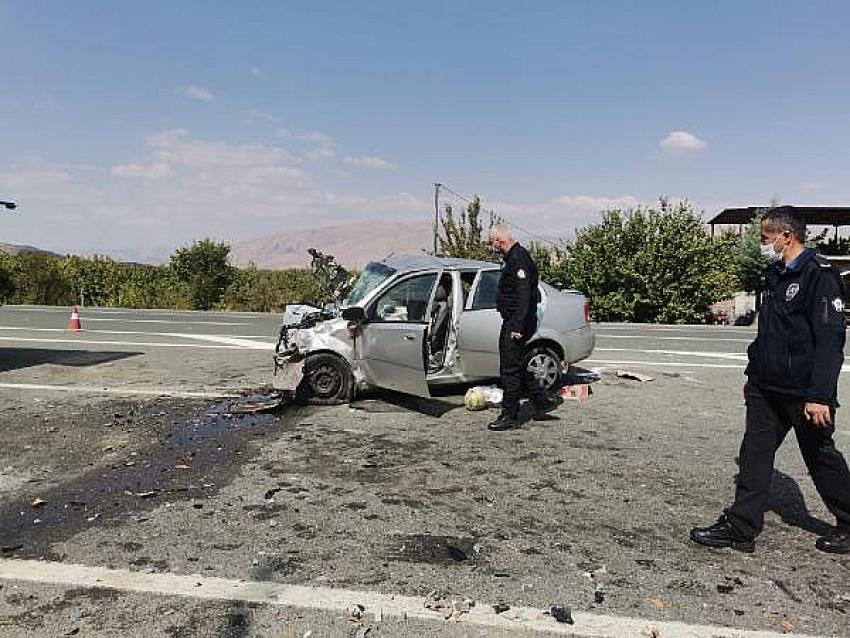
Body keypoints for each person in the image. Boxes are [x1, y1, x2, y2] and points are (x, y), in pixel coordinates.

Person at [690, 206, 850, 554]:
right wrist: (753, 375)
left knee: (821, 458)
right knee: (754, 453)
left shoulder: (819, 275)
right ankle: (741, 527)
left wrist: (820, 395)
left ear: (786, 236)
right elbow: (768, 333)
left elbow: (830, 341)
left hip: (804, 391)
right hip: (767, 387)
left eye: (766, 238)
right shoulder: (775, 274)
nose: (763, 244)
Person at [486, 224, 560, 431]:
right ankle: (541, 400)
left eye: (492, 243)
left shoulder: (518, 259)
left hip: (517, 322)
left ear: (499, 241)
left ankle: (510, 415)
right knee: (517, 364)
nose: (492, 247)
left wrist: (517, 326)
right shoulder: (512, 258)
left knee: (509, 368)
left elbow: (524, 295)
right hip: (514, 320)